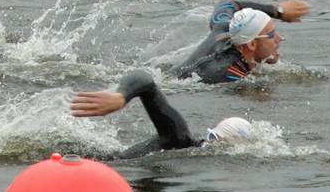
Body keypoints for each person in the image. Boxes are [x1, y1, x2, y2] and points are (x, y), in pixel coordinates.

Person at [70, 69, 254, 160]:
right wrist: (121, 97)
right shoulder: (179, 138)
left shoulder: (185, 145)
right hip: (100, 165)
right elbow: (145, 80)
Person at [175, 0, 310, 84]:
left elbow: (228, 4)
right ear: (251, 44)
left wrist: (276, 11)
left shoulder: (225, 27)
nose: (280, 38)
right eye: (271, 35)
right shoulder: (229, 75)